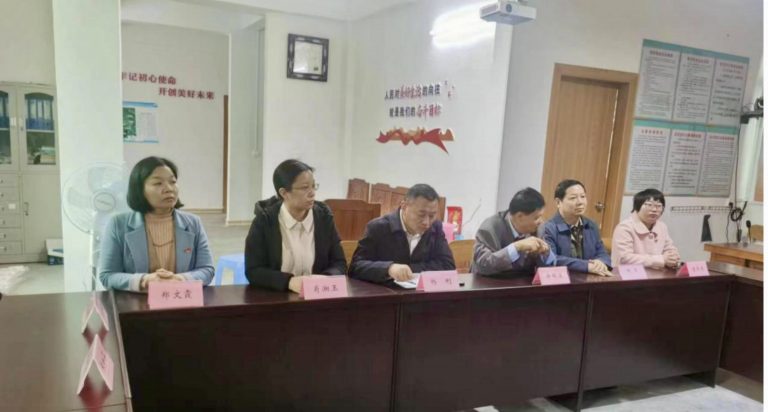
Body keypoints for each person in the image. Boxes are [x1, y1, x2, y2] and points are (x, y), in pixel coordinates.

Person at [99, 156, 214, 291]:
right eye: (158, 183)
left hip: (181, 299)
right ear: (139, 189)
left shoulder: (193, 223)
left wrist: (180, 279)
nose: (169, 189)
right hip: (136, 301)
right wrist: (144, 280)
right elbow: (108, 276)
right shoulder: (118, 224)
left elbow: (207, 270)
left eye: (173, 182)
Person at [245, 159, 346, 293]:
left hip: (317, 296)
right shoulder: (265, 221)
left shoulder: (324, 218)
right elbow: (253, 271)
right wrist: (288, 282)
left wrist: (324, 279)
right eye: (305, 188)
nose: (312, 193)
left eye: (314, 186)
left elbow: (339, 263)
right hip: (278, 296)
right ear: (284, 193)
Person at [348, 184, 455, 285]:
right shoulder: (378, 227)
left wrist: (409, 269)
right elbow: (355, 267)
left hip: (420, 293)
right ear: (404, 206)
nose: (426, 222)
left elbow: (448, 266)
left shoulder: (435, 227)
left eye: (432, 216)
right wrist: (389, 268)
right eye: (421, 215)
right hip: (385, 293)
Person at [472, 187, 555, 276]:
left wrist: (546, 253)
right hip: (490, 281)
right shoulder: (490, 228)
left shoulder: (538, 228)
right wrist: (516, 247)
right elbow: (483, 266)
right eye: (536, 218)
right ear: (520, 216)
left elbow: (547, 266)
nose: (541, 221)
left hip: (521, 282)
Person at [542, 179, 612, 276]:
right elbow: (551, 259)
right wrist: (586, 266)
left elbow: (602, 253)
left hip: (590, 278)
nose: (580, 202)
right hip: (563, 279)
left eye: (583, 196)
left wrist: (600, 262)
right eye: (573, 198)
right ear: (558, 202)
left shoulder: (591, 225)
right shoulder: (548, 228)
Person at [611, 188, 680, 269]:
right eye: (649, 205)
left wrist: (673, 257)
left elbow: (669, 248)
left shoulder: (662, 226)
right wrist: (661, 259)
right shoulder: (625, 227)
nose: (654, 210)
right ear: (637, 207)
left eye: (658, 206)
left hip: (656, 273)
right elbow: (625, 258)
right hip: (629, 274)